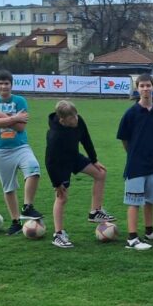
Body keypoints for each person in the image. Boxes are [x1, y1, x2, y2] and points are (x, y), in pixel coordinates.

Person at [44, 99, 114, 249]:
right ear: (62, 120)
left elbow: (85, 139)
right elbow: (49, 162)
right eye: (72, 118)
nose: (76, 119)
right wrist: (57, 184)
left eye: (76, 115)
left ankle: (95, 211)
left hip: (74, 157)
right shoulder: (54, 135)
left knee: (100, 173)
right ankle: (58, 235)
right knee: (62, 197)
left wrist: (94, 160)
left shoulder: (78, 119)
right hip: (60, 164)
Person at [0, 69, 43, 236]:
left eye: (7, 83)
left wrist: (0, 115)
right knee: (8, 187)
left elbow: (21, 127)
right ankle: (16, 222)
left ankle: (28, 207)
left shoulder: (20, 100)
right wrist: (13, 118)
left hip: (20, 147)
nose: (4, 86)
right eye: (0, 83)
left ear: (11, 85)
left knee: (34, 169)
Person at [116, 74, 153, 250]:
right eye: (142, 86)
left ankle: (149, 231)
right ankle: (132, 238)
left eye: (148, 85)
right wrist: (133, 154)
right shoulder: (130, 113)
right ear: (137, 89)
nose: (145, 88)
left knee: (150, 200)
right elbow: (123, 138)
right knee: (134, 201)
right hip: (135, 165)